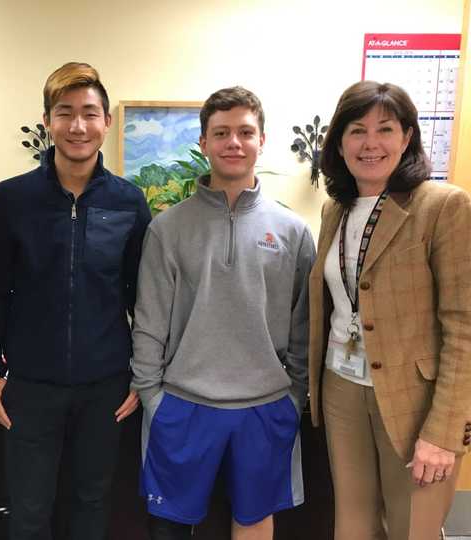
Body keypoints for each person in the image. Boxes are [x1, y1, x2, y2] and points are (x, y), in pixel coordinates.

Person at [308, 80, 471, 540]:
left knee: (413, 529)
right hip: (342, 387)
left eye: (385, 129)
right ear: (339, 141)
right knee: (352, 525)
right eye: (356, 130)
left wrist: (443, 432)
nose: (370, 143)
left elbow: (467, 326)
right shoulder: (337, 209)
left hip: (418, 400)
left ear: (407, 137)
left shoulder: (444, 206)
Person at [0, 62, 151, 540]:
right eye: (65, 112)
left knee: (92, 502)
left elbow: (144, 297)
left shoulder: (129, 201)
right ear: (48, 121)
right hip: (31, 384)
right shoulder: (13, 198)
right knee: (29, 508)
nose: (78, 126)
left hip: (106, 385)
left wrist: (142, 371)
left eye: (90, 113)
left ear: (106, 122)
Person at [131, 86, 315, 540]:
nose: (234, 142)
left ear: (262, 140)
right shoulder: (168, 228)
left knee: (253, 520)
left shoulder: (292, 231)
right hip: (182, 404)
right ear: (204, 143)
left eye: (245, 132)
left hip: (267, 405)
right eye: (222, 133)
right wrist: (152, 394)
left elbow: (304, 323)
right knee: (170, 525)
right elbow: (149, 320)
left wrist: (295, 393)